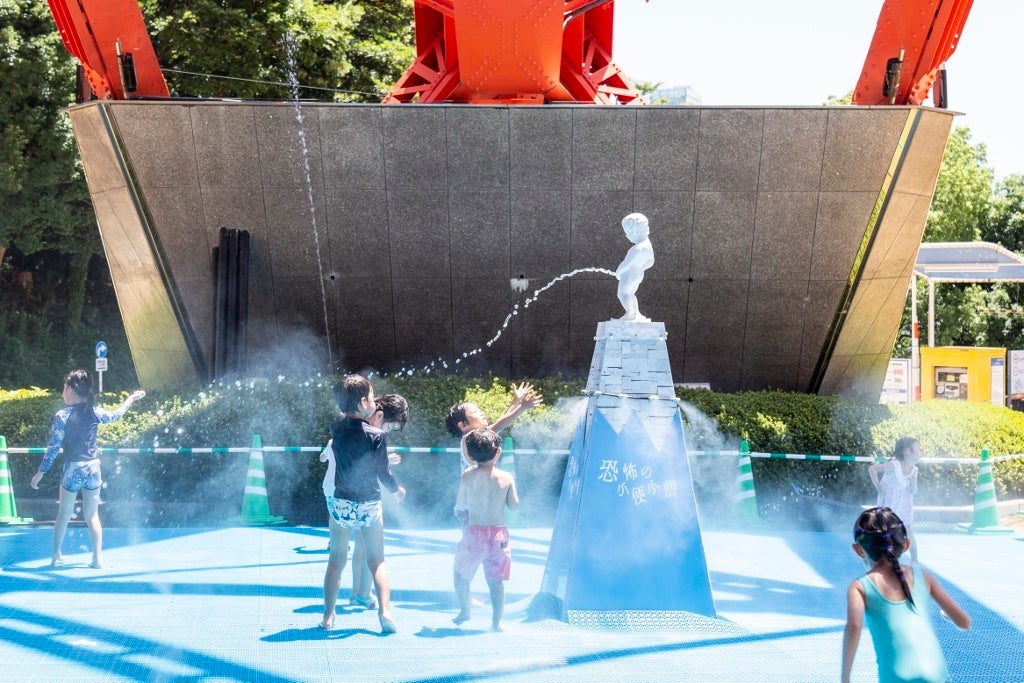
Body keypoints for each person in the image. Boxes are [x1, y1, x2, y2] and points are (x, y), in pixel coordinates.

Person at [29, 369, 145, 568]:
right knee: (92, 515)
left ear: (69, 389)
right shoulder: (95, 411)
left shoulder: (62, 415)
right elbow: (116, 415)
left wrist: (40, 472)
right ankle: (97, 559)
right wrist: (131, 399)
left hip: (72, 470)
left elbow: (53, 447)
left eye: (64, 388)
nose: (62, 392)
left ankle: (56, 555)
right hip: (93, 468)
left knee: (64, 513)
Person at [841, 506, 970, 683]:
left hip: (896, 677)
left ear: (858, 549)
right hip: (937, 675)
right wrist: (948, 615)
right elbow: (964, 622)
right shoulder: (923, 576)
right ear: (906, 545)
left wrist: (845, 678)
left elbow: (854, 626)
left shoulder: (860, 586)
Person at [320, 375, 406, 633]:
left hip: (341, 504)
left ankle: (328, 615)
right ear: (362, 401)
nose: (374, 401)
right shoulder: (377, 435)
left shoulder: (336, 426)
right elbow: (383, 473)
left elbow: (343, 418)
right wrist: (397, 490)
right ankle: (385, 612)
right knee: (377, 560)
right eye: (371, 396)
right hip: (368, 504)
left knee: (335, 560)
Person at [452, 428, 519, 631]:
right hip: (499, 533)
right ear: (498, 453)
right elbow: (514, 505)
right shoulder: (506, 477)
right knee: (496, 581)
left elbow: (461, 501)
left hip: (476, 533)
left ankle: (465, 610)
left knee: (461, 575)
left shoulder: (467, 476)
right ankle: (497, 621)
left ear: (470, 456)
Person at [444, 382, 543, 472]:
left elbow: (500, 422)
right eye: (475, 412)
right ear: (463, 425)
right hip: (475, 490)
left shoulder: (476, 437)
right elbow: (499, 425)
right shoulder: (468, 438)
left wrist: (516, 401)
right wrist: (522, 407)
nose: (481, 412)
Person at [869, 437, 922, 563]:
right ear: (907, 451)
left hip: (904, 502)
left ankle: (915, 560)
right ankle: (879, 557)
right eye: (918, 449)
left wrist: (913, 483)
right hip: (889, 501)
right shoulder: (894, 465)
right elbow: (872, 468)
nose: (921, 452)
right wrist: (878, 486)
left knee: (907, 530)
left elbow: (914, 492)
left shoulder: (914, 470)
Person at [614, 212, 654, 322]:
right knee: (630, 293)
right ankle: (636, 314)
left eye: (628, 232)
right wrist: (641, 267)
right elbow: (650, 262)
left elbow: (627, 263)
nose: (627, 236)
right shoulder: (648, 247)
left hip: (630, 274)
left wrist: (619, 271)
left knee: (623, 293)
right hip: (638, 274)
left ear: (636, 231)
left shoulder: (638, 248)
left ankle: (630, 313)